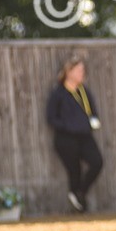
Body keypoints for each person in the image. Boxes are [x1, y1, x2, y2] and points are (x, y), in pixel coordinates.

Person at [46, 56, 104, 212]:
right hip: (66, 138)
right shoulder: (59, 93)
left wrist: (93, 121)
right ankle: (79, 204)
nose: (82, 73)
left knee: (97, 162)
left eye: (82, 70)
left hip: (85, 136)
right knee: (75, 170)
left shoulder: (84, 92)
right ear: (68, 71)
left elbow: (92, 112)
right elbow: (51, 117)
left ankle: (80, 193)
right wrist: (68, 126)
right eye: (78, 70)